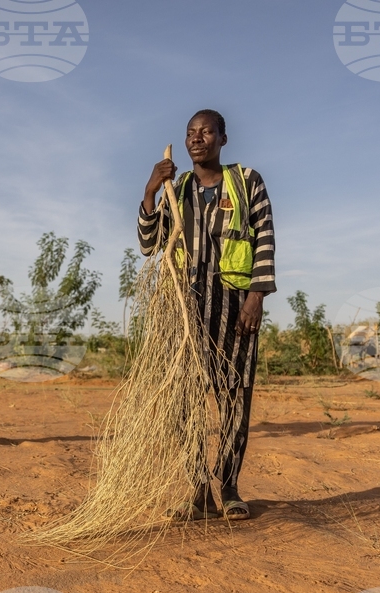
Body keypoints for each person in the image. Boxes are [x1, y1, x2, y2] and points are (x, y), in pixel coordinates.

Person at [138, 110, 276, 520]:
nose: (197, 139)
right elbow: (151, 244)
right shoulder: (176, 188)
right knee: (186, 399)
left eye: (206, 132)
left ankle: (229, 487)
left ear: (223, 138)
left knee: (234, 395)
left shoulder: (248, 181)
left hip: (235, 306)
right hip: (185, 310)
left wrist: (257, 297)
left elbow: (265, 236)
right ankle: (197, 488)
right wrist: (150, 193)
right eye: (190, 134)